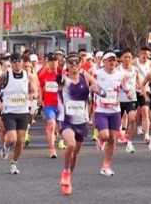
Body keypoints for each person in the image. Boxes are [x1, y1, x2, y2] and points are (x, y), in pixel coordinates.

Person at [57, 52, 101, 195]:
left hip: (81, 121)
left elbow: (99, 89)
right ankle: (65, 171)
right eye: (71, 62)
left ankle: (68, 177)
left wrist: (96, 89)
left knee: (75, 154)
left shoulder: (85, 77)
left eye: (76, 61)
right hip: (66, 120)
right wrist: (59, 66)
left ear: (81, 64)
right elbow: (58, 79)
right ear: (67, 65)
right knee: (70, 144)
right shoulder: (64, 78)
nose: (74, 64)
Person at [0, 53, 38, 175]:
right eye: (14, 61)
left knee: (20, 141)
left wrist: (33, 95)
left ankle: (14, 163)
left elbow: (35, 90)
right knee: (12, 139)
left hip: (23, 111)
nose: (17, 63)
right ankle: (6, 146)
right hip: (9, 111)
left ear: (22, 62)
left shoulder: (28, 75)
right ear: (11, 63)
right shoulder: (6, 75)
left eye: (19, 61)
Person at [94, 51, 134, 173]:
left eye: (114, 60)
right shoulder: (97, 74)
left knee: (112, 139)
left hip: (115, 111)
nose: (112, 62)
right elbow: (89, 85)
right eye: (109, 60)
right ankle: (101, 139)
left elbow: (127, 89)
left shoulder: (120, 75)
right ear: (104, 61)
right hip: (101, 110)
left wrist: (130, 94)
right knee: (105, 135)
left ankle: (106, 165)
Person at [37, 53, 61, 157]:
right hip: (49, 105)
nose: (53, 63)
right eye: (51, 61)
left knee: (59, 127)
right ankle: (52, 149)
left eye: (55, 61)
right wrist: (40, 98)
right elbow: (40, 86)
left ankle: (56, 133)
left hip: (61, 105)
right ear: (48, 62)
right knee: (51, 124)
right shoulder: (43, 75)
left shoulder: (62, 74)